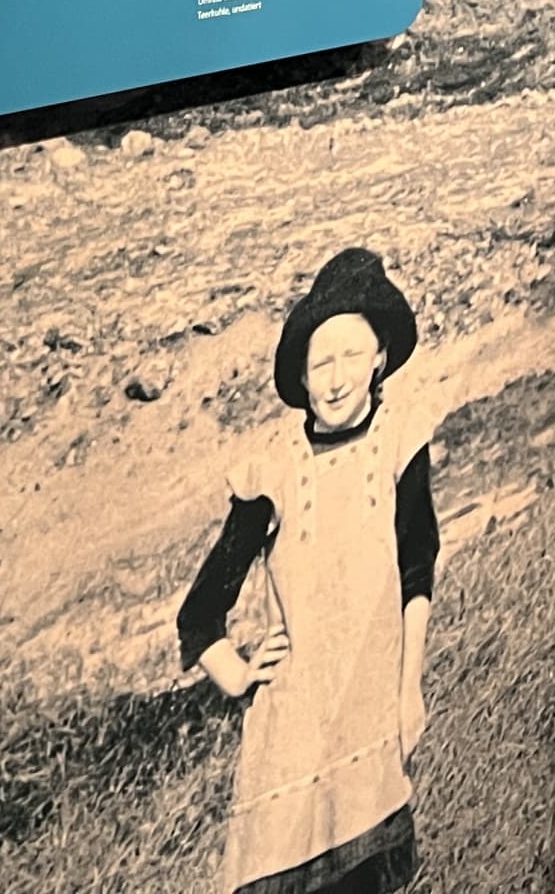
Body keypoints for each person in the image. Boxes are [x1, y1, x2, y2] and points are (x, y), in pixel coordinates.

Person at [176, 247, 439, 894]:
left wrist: (409, 692)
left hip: (371, 717)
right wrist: (237, 673)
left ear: (380, 356)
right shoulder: (273, 470)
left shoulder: (400, 442)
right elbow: (200, 612)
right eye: (321, 361)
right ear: (301, 374)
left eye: (353, 354)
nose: (337, 377)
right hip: (288, 743)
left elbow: (416, 569)